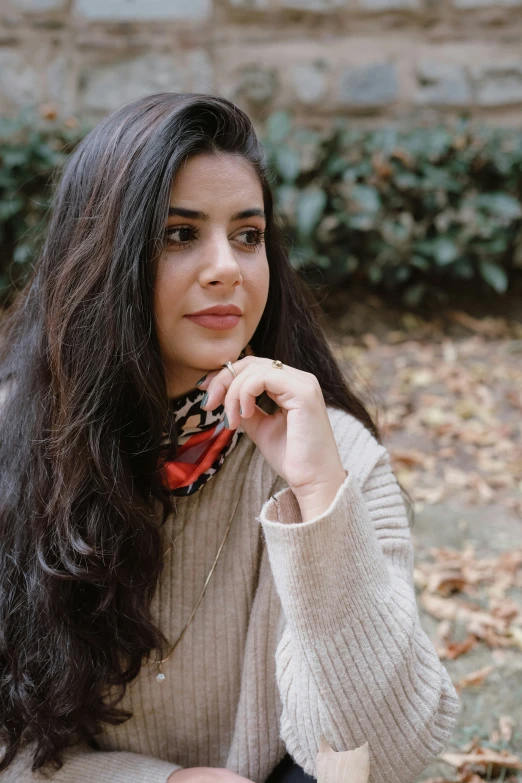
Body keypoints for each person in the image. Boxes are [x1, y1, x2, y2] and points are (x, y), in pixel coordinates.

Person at [0, 92, 459, 783]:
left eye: (248, 236)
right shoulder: (19, 440)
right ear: (102, 258)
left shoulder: (335, 454)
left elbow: (387, 756)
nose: (228, 268)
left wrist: (319, 500)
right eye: (179, 234)